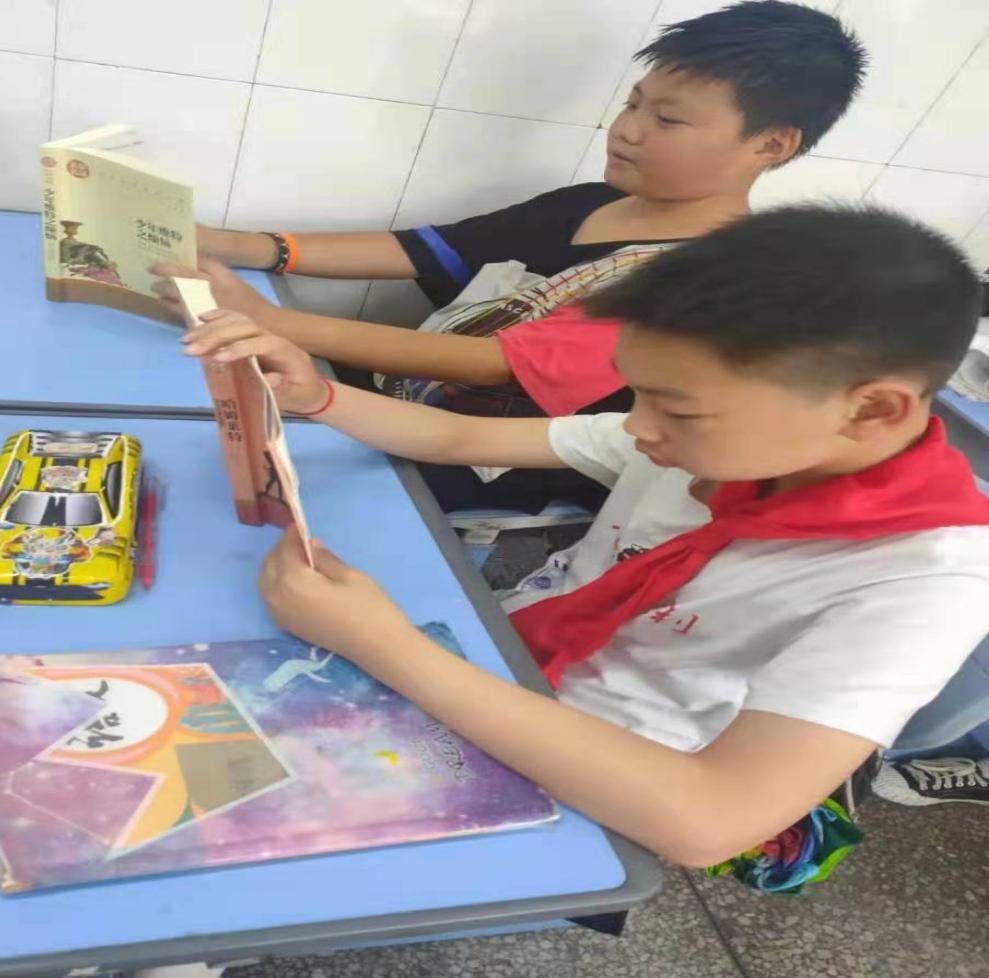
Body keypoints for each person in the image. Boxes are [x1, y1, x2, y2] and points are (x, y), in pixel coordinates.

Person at [181, 205, 989, 865]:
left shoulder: (924, 581)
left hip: (609, 776)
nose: (636, 427)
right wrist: (315, 395)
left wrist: (383, 645)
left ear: (870, 410)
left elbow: (712, 821)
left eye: (676, 408)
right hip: (494, 660)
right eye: (637, 393)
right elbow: (459, 437)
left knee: (227, 829)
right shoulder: (708, 440)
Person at [159, 1, 867, 513]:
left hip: (467, 463)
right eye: (632, 104)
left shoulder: (707, 283)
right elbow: (425, 247)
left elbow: (499, 363)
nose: (626, 131)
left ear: (771, 144)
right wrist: (243, 246)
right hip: (382, 401)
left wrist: (278, 322)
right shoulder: (588, 201)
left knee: (210, 487)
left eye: (667, 119)